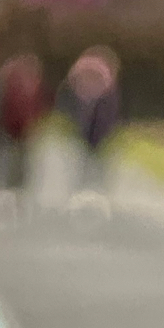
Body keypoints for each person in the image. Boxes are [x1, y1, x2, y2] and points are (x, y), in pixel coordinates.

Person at [60, 46, 121, 207]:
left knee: (95, 164)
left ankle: (94, 193)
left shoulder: (105, 91)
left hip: (99, 132)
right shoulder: (83, 87)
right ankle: (84, 192)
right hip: (85, 131)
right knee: (85, 163)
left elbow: (113, 113)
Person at [0, 50, 49, 209]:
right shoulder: (11, 84)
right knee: (10, 160)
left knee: (22, 160)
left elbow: (39, 106)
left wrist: (36, 123)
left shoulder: (34, 85)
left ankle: (20, 189)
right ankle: (9, 188)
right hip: (10, 127)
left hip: (26, 128)